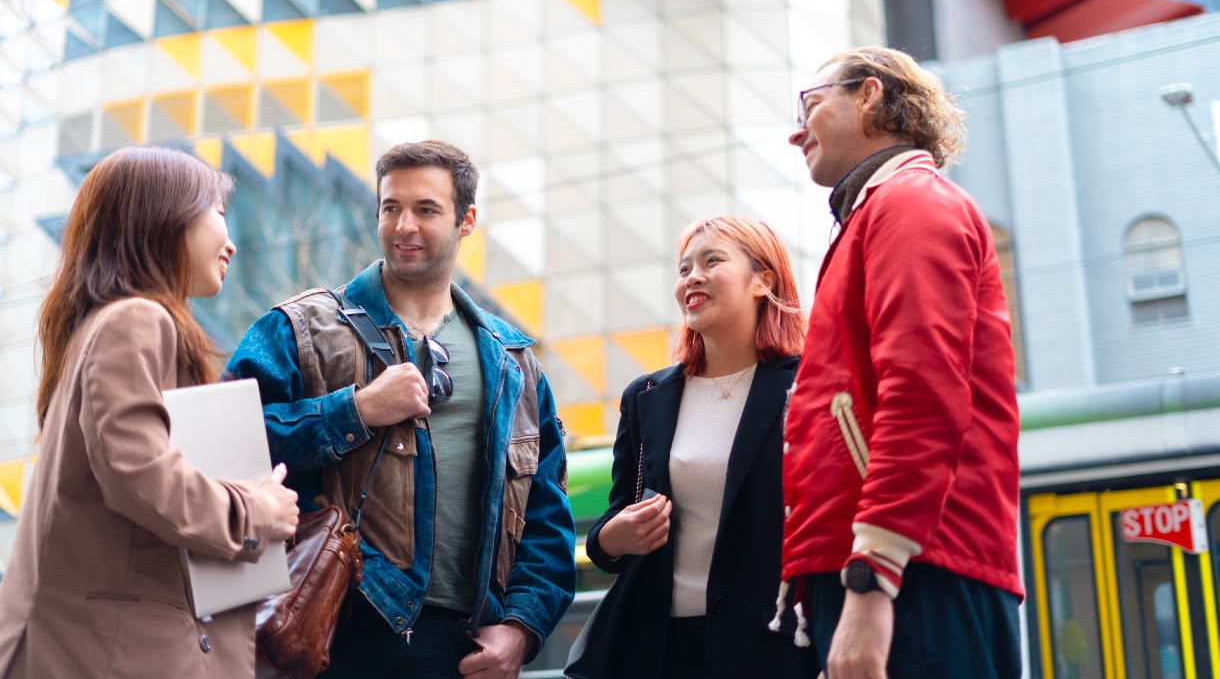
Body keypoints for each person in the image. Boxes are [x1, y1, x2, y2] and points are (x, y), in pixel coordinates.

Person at [224, 139, 576, 678]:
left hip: (465, 649)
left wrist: (521, 626)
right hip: (331, 629)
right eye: (392, 208)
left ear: (467, 220)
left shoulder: (513, 361)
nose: (404, 225)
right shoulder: (299, 328)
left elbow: (546, 512)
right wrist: (355, 410)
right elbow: (225, 446)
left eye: (426, 209)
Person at [0, 146, 300, 678]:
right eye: (219, 215)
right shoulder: (136, 319)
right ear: (165, 216)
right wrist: (257, 513)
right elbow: (139, 474)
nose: (230, 242)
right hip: (111, 653)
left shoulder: (101, 326)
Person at [779, 46, 1023, 679]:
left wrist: (873, 574)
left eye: (810, 103)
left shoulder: (909, 205)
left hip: (914, 569)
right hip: (903, 562)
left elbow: (923, 393)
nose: (794, 129)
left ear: (870, 95)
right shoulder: (876, 213)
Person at [582, 216, 812, 679]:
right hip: (660, 648)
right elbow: (612, 524)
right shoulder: (646, 397)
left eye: (712, 261)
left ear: (761, 281)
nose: (692, 277)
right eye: (684, 268)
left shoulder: (808, 384)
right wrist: (612, 538)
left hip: (774, 646)